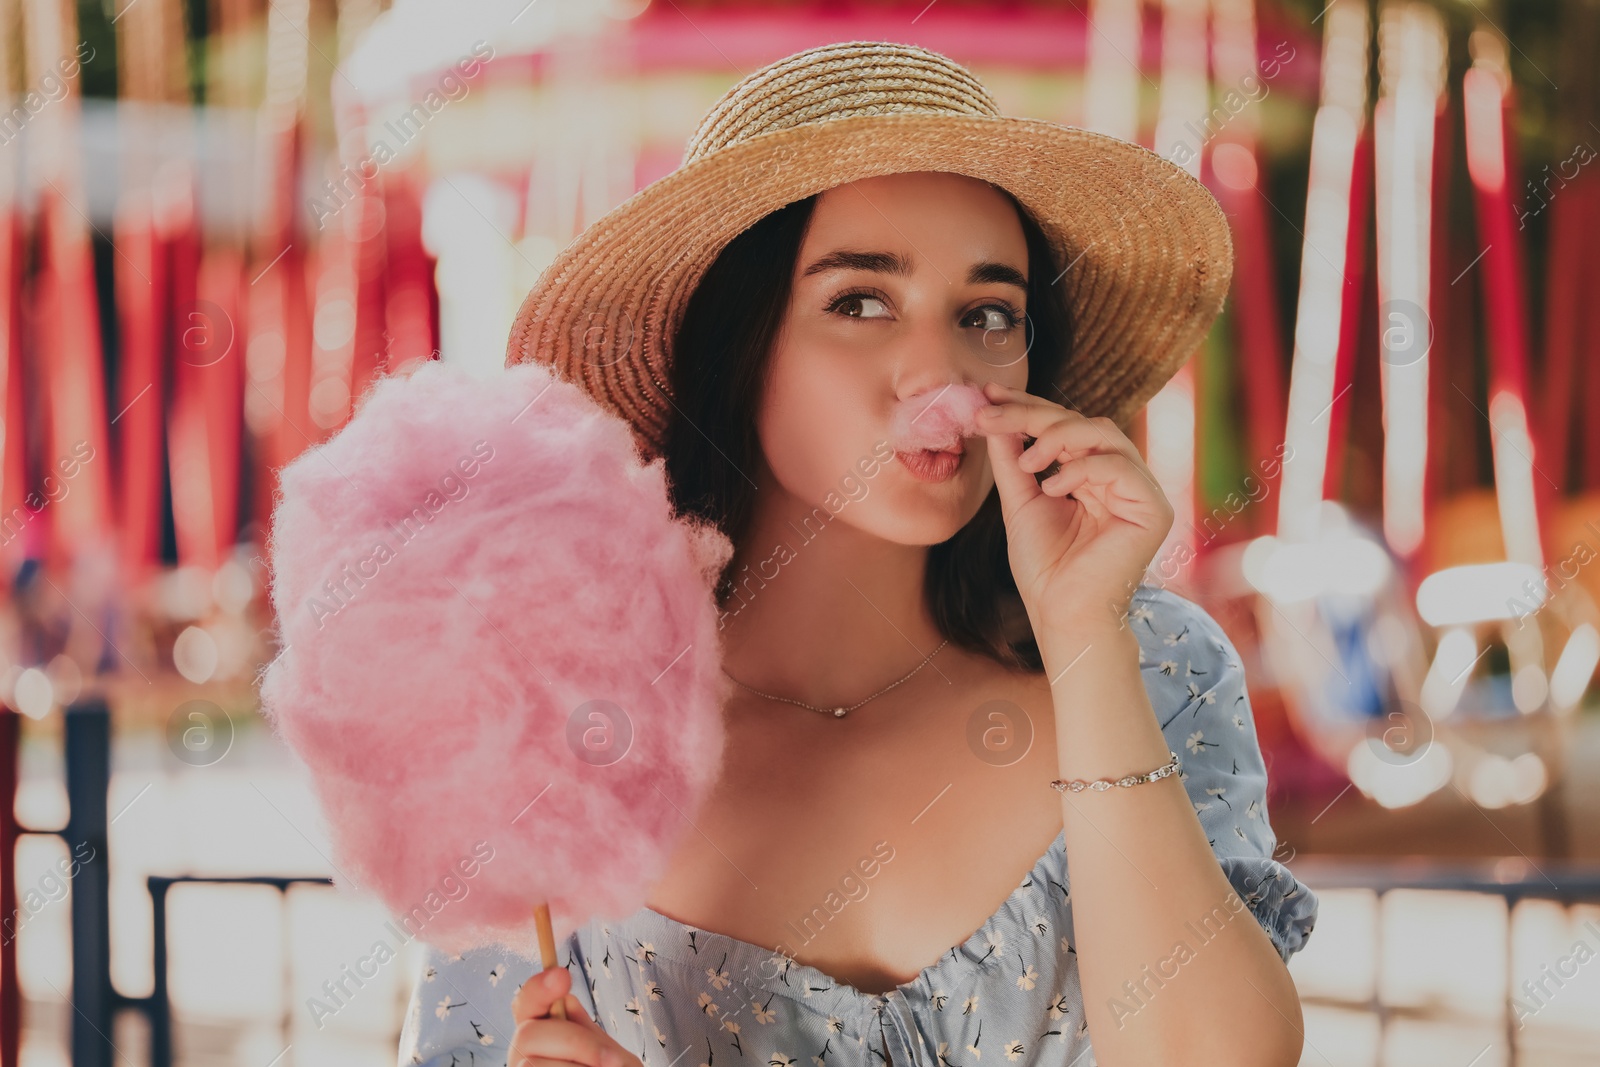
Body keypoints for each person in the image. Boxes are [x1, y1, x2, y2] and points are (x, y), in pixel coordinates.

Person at [400, 40, 1317, 1067]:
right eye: (859, 301)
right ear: (736, 343)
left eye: (986, 313)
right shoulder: (551, 715)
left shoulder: (1154, 661)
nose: (941, 370)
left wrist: (1081, 635)